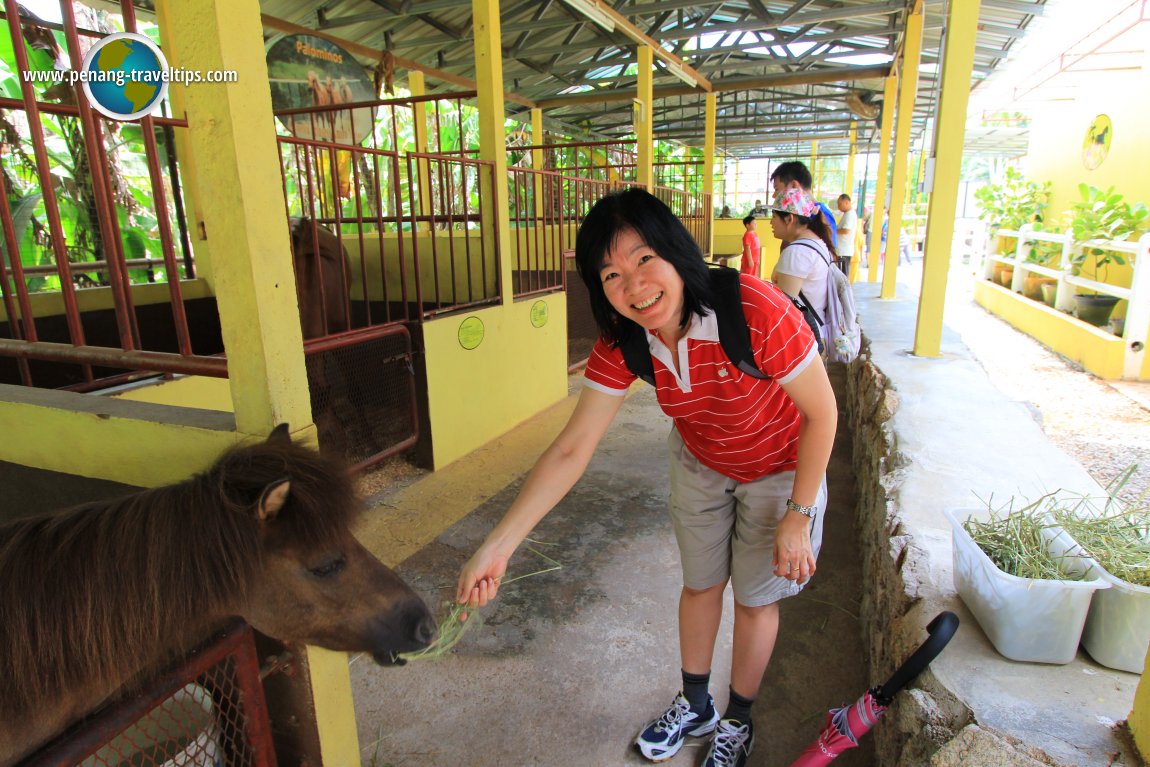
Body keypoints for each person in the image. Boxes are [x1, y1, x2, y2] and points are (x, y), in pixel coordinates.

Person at [457, 188, 837, 767]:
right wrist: (497, 546)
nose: (632, 286)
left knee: (757, 601)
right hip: (702, 461)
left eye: (642, 260)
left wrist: (799, 513)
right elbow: (572, 448)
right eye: (610, 274)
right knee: (701, 585)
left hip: (781, 466)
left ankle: (737, 716)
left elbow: (823, 413)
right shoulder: (624, 343)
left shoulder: (756, 310)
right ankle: (696, 704)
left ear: (675, 251)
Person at [769, 186, 838, 336]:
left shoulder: (797, 252)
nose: (770, 222)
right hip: (815, 332)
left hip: (802, 337)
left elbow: (786, 311)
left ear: (789, 219)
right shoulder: (817, 243)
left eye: (774, 216)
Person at [769, 161, 837, 249]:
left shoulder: (822, 215)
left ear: (794, 185)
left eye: (776, 189)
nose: (774, 195)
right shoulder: (796, 214)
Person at [835, 194, 857, 278]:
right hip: (842, 250)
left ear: (847, 203)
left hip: (843, 251)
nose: (838, 207)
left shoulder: (850, 214)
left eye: (840, 204)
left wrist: (834, 231)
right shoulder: (847, 214)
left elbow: (846, 230)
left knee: (842, 276)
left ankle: (843, 291)